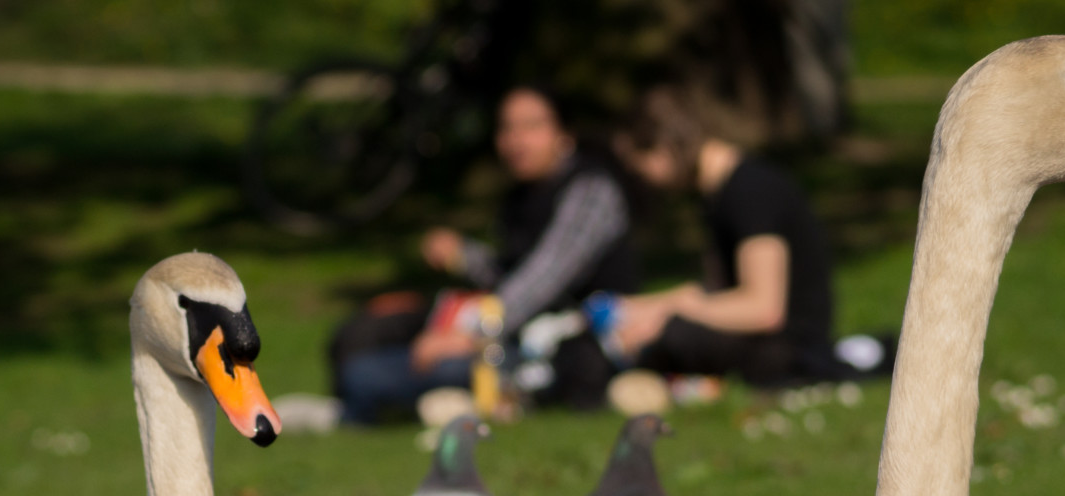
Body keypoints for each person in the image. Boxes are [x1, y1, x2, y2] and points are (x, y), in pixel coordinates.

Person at [328, 87, 642, 425]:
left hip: (566, 348)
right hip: (510, 332)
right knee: (355, 336)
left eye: (532, 126)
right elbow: (510, 274)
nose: (517, 140)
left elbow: (545, 278)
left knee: (366, 375)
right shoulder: (521, 195)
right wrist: (464, 255)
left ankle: (367, 412)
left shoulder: (591, 192)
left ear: (565, 135)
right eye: (507, 128)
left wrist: (472, 333)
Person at [606, 87, 859, 390]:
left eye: (640, 165)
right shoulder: (720, 194)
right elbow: (719, 291)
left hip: (790, 350)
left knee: (673, 336)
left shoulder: (750, 192)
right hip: (766, 342)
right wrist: (638, 307)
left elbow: (764, 309)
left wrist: (668, 316)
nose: (643, 178)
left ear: (663, 147)